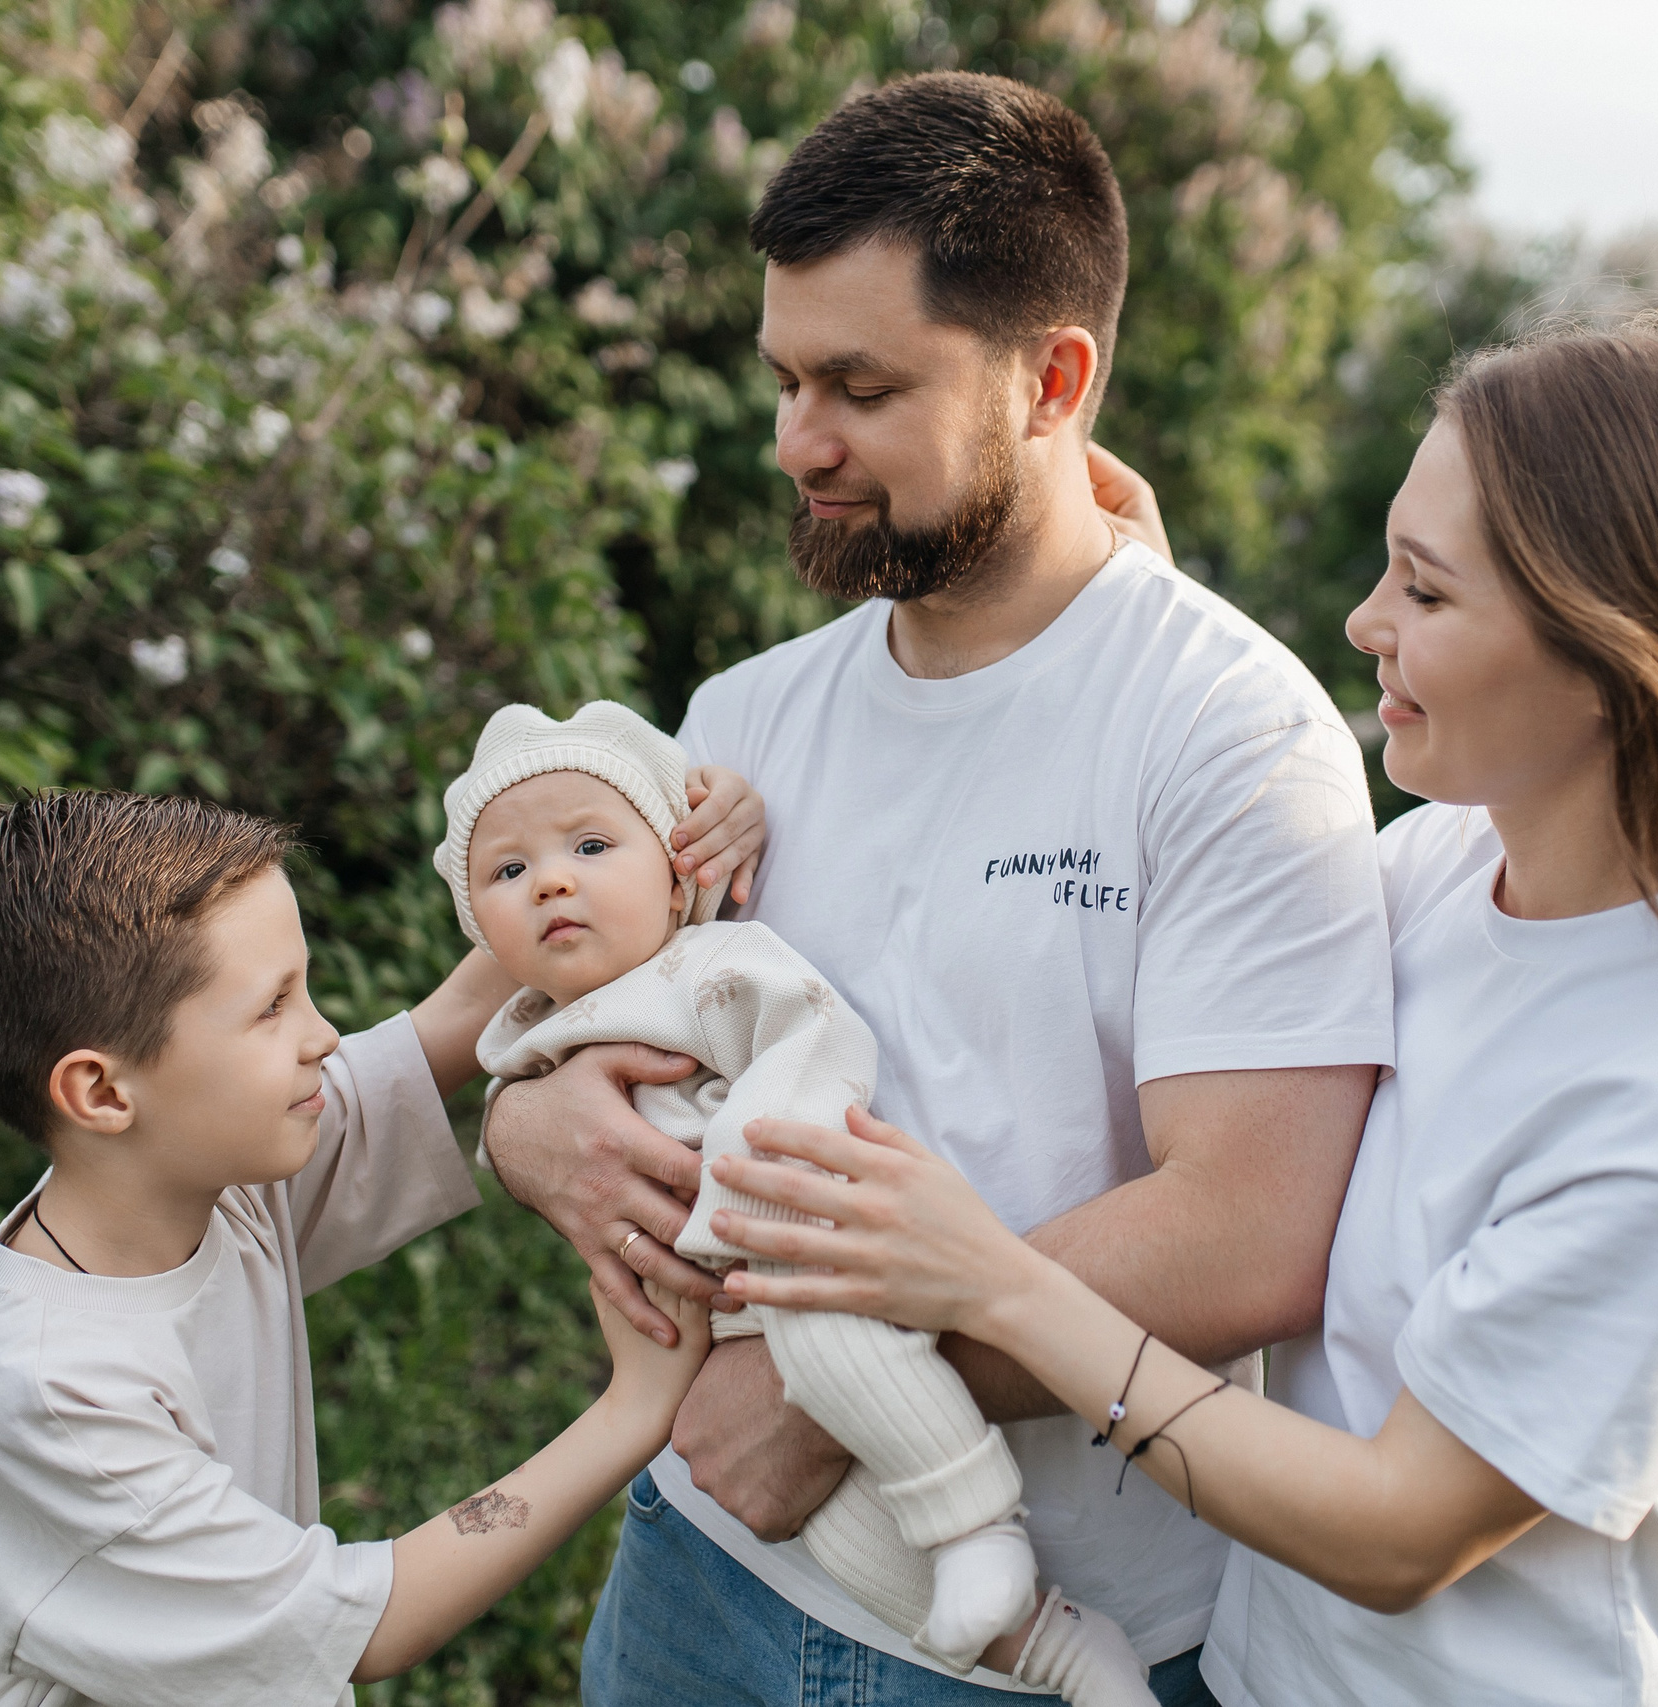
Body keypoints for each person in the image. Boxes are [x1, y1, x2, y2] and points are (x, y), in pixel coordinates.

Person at [705, 320, 1658, 1707]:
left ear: (1613, 659)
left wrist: (997, 1284)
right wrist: (1127, 635)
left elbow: (1396, 1525)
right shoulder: (1449, 873)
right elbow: (1219, 886)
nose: (1365, 621)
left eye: (1427, 590)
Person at [480, 72, 1392, 1707]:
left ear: (1053, 380)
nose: (795, 443)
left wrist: (837, 1392)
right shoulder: (741, 719)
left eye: (859, 386)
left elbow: (1251, 1227)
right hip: (699, 1566)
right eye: (781, 379)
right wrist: (523, 1121)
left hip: (1049, 1637)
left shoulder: (1231, 729)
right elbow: (569, 1002)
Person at [0, 789, 732, 1704]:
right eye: (272, 1009)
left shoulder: (198, 1177)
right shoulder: (44, 1392)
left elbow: (454, 1016)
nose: (323, 1035)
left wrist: (675, 816)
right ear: (101, 1093)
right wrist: (634, 1408)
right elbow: (362, 1624)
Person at [436, 699, 1157, 1704]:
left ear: (677, 868)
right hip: (713, 1329)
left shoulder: (713, 966)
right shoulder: (521, 1033)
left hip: (794, 1238)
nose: (551, 878)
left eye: (591, 845)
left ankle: (974, 1522)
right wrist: (515, 1133)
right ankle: (1058, 1650)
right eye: (506, 873)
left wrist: (749, 1166)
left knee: (833, 1352)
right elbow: (528, 1131)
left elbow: (816, 1041)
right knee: (845, 1536)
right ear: (480, 929)